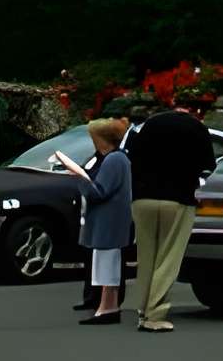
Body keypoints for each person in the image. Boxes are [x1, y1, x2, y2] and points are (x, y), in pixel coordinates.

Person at [124, 95, 217, 334]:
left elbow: (130, 157)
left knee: (146, 256)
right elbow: (209, 165)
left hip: (143, 198)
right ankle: (155, 314)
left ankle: (142, 309)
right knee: (168, 258)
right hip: (178, 198)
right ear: (194, 109)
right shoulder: (197, 128)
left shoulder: (149, 125)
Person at [55, 117, 133, 325]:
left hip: (108, 222)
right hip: (109, 221)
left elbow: (99, 192)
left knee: (107, 264)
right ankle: (106, 306)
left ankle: (108, 308)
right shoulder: (117, 158)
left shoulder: (114, 160)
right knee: (105, 264)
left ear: (102, 139)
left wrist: (78, 177)